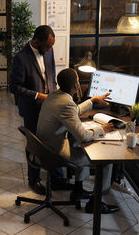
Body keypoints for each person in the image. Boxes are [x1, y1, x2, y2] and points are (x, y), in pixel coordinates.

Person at [36, 68, 119, 214]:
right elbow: (84, 136)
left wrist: (92, 100)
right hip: (53, 152)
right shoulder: (66, 104)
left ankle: (78, 190)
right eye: (78, 82)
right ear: (76, 86)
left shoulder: (55, 95)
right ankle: (96, 203)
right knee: (105, 160)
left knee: (76, 142)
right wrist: (103, 129)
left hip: (42, 146)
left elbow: (72, 111)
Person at [9, 25, 70, 195]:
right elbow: (14, 88)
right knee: (35, 144)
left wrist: (56, 93)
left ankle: (57, 180)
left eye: (52, 46)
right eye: (48, 46)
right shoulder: (20, 58)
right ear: (36, 41)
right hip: (32, 108)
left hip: (51, 106)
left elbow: (51, 75)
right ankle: (33, 180)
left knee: (55, 139)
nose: (50, 49)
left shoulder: (49, 52)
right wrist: (38, 95)